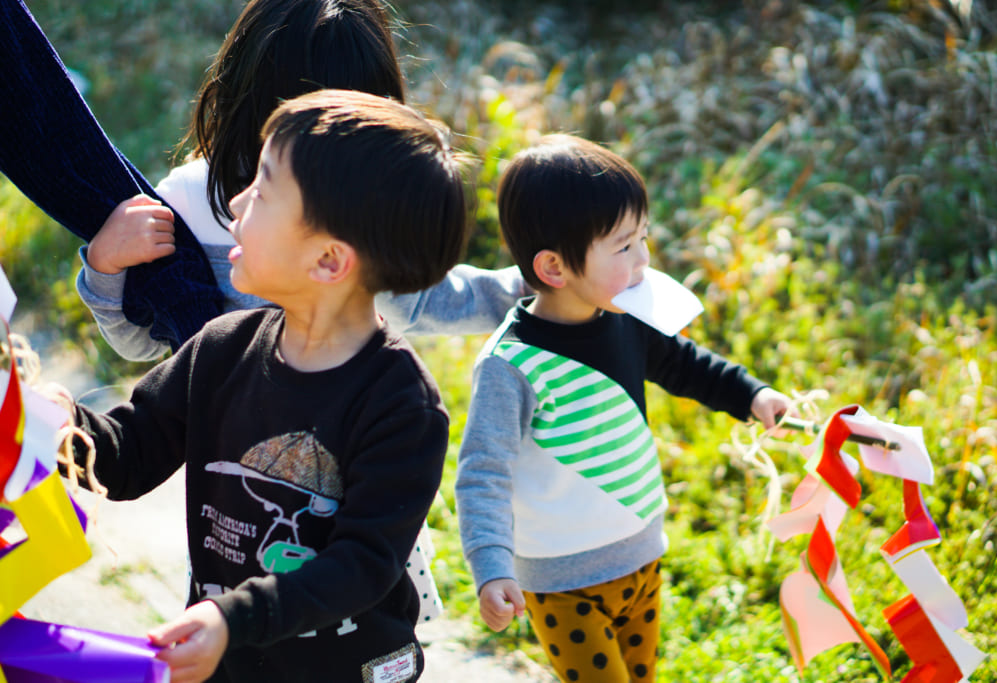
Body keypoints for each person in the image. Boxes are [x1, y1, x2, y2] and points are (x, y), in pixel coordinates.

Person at [62, 89, 467, 683]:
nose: (236, 200)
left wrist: (233, 617)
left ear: (329, 262)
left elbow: (360, 565)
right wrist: (43, 424)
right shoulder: (221, 350)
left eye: (263, 189)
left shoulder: (401, 405)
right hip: (226, 660)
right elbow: (126, 454)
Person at [454, 134, 791, 683]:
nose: (645, 259)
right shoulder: (510, 365)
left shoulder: (625, 318)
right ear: (555, 267)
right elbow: (482, 473)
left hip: (641, 556)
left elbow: (684, 364)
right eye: (624, 246)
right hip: (563, 582)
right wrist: (491, 566)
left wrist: (750, 394)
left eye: (644, 238)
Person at [76, 0, 525, 362]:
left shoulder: (362, 220)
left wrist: (541, 286)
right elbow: (146, 345)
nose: (239, 209)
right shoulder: (184, 206)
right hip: (222, 465)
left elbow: (432, 298)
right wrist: (105, 268)